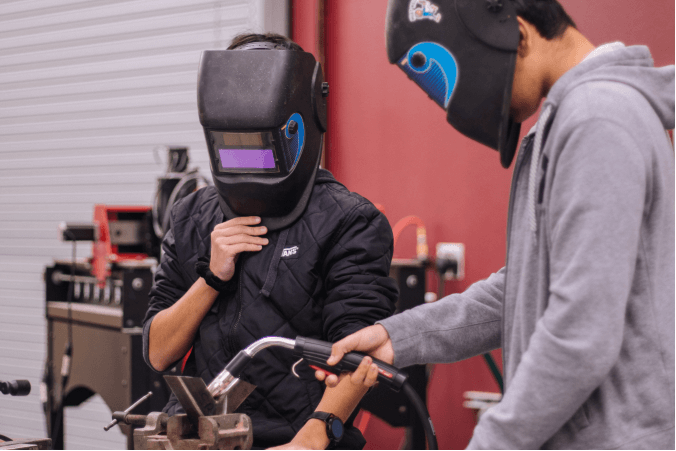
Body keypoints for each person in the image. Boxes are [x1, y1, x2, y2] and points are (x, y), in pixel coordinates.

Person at [320, 1, 675, 449]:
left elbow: (581, 332)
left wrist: (492, 441)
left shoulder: (597, 119)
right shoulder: (568, 119)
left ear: (519, 33)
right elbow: (525, 288)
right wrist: (398, 337)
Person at [142, 33, 398, 450]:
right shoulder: (191, 216)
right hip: (196, 437)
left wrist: (313, 437)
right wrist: (211, 278)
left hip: (291, 439)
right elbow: (158, 352)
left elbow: (357, 355)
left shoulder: (350, 222)